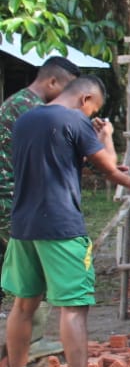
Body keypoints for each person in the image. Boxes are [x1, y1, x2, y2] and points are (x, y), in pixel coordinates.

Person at [3, 75, 130, 367]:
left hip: (23, 225)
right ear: (85, 99)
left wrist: (97, 143)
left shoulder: (26, 119)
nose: (91, 114)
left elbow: (55, 163)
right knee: (73, 308)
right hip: (60, 226)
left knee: (23, 305)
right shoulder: (74, 121)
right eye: (93, 109)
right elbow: (114, 171)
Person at [0, 56, 82, 351]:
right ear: (52, 82)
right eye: (68, 91)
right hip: (17, 202)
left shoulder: (19, 104)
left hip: (16, 201)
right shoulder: (34, 111)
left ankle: (23, 345)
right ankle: (29, 345)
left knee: (25, 281)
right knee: (34, 279)